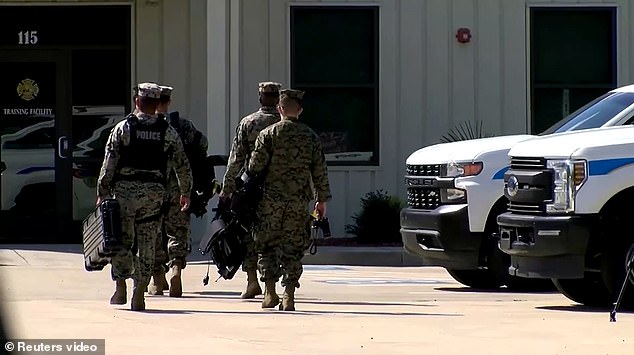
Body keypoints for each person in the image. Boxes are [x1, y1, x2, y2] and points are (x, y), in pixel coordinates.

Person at [96, 82, 192, 311]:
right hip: (153, 194)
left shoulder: (123, 129)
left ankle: (121, 288)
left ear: (137, 101)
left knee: (121, 240)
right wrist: (185, 192)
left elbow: (109, 163)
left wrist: (103, 191)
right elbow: (182, 164)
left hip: (125, 194)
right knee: (148, 242)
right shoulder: (167, 132)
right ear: (157, 104)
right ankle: (140, 291)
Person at [247, 89, 331, 311]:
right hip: (297, 202)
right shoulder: (310, 137)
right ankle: (289, 294)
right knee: (293, 248)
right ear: (300, 110)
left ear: (279, 108)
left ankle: (270, 292)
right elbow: (320, 172)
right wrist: (321, 200)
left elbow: (254, 168)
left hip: (269, 202)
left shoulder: (267, 135)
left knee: (266, 246)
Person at [219, 81, 283, 299]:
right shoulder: (284, 123)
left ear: (260, 97)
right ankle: (272, 285)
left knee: (247, 233)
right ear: (278, 98)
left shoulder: (249, 122)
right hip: (279, 188)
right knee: (275, 236)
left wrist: (227, 188)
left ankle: (252, 281)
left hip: (250, 187)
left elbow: (236, 158)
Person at [147, 85, 209, 297]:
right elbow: (202, 146)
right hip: (177, 187)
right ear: (168, 102)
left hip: (150, 188)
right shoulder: (182, 126)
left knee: (153, 231)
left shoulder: (138, 125)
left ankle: (157, 278)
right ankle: (175, 269)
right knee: (177, 230)